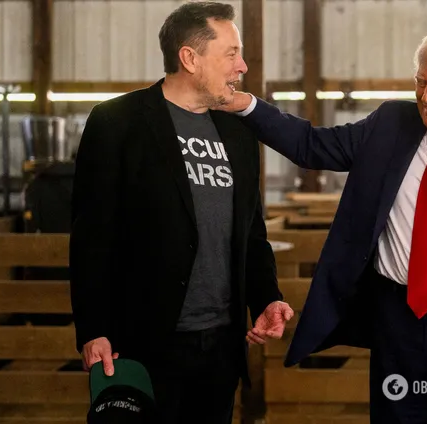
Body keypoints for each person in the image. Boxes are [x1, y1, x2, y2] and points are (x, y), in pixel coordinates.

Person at [220, 29, 427, 423]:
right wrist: (245, 105)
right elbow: (312, 145)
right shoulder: (391, 123)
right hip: (398, 322)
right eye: (421, 81)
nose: (426, 95)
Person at [69, 2, 294, 423]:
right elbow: (92, 236)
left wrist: (266, 297)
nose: (242, 66)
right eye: (231, 54)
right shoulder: (117, 122)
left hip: (221, 345)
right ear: (190, 58)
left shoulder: (238, 131)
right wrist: (93, 329)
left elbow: (251, 231)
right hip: (143, 342)